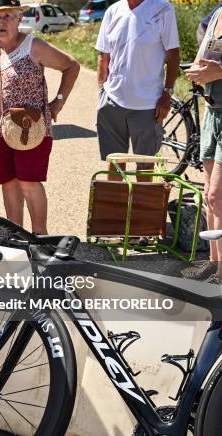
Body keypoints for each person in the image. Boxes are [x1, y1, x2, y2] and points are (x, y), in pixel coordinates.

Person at [0, 0, 79, 234]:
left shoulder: (33, 46)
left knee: (28, 181)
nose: (2, 21)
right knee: (8, 183)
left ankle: (39, 237)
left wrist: (58, 102)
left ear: (19, 18)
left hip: (30, 129)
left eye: (8, 16)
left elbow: (71, 66)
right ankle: (16, 235)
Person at [96, 0, 180, 182]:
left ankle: (139, 210)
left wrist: (167, 94)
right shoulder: (113, 11)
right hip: (112, 101)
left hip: (148, 104)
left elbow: (173, 54)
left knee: (145, 165)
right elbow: (104, 55)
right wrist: (102, 91)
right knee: (115, 163)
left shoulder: (163, 9)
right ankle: (117, 209)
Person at [183, 8, 222, 285]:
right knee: (209, 194)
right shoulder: (218, 12)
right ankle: (213, 264)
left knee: (218, 194)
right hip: (212, 111)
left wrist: (218, 71)